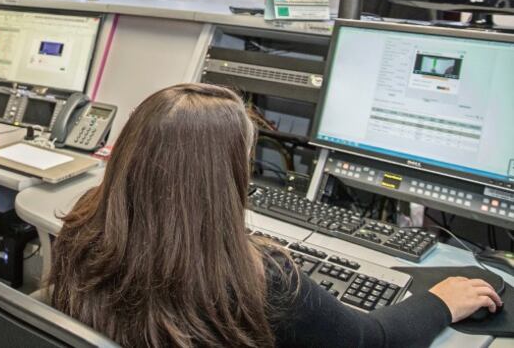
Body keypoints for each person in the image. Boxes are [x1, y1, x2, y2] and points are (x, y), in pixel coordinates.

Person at [48, 83, 503, 348]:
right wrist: (442, 301)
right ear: (221, 178)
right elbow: (369, 341)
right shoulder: (257, 275)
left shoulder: (83, 224)